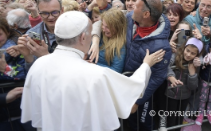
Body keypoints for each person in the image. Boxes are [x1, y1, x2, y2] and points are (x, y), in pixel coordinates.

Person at [21, 11, 166, 131]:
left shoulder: (38, 64)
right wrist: (146, 65)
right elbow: (131, 88)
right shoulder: (96, 74)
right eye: (92, 35)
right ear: (83, 37)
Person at [90, 0, 172, 131]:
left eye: (136, 7)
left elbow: (157, 77)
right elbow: (108, 21)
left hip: (140, 93)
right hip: (123, 86)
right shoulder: (130, 18)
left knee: (141, 125)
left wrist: (138, 101)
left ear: (146, 14)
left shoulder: (161, 46)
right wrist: (96, 39)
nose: (131, 8)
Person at [166, 37, 203, 129]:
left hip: (185, 96)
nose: (189, 54)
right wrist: (171, 76)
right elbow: (165, 66)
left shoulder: (195, 64)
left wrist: (192, 73)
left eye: (193, 53)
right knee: (170, 119)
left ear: (197, 55)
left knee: (179, 119)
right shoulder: (175, 56)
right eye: (187, 50)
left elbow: (193, 86)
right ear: (184, 48)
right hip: (171, 95)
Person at [97, 9, 126, 73]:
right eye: (103, 25)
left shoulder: (120, 47)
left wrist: (93, 65)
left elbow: (116, 70)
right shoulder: (99, 35)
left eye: (107, 27)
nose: (103, 29)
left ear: (118, 27)